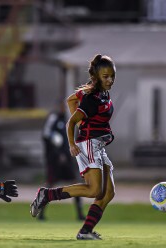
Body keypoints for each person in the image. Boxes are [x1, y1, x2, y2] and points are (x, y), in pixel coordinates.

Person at [30, 54, 116, 240]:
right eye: (105, 76)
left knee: (108, 192)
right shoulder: (92, 98)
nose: (110, 80)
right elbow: (70, 123)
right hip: (90, 144)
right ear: (96, 77)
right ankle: (47, 195)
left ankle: (85, 231)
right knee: (94, 190)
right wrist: (72, 141)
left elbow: (70, 100)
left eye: (111, 76)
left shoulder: (101, 93)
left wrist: (83, 125)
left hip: (98, 144)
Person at [40, 101, 85, 220]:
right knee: (50, 185)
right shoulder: (53, 118)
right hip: (55, 160)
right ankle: (40, 212)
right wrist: (57, 153)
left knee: (74, 183)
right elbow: (46, 135)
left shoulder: (67, 119)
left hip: (66, 158)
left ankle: (80, 213)